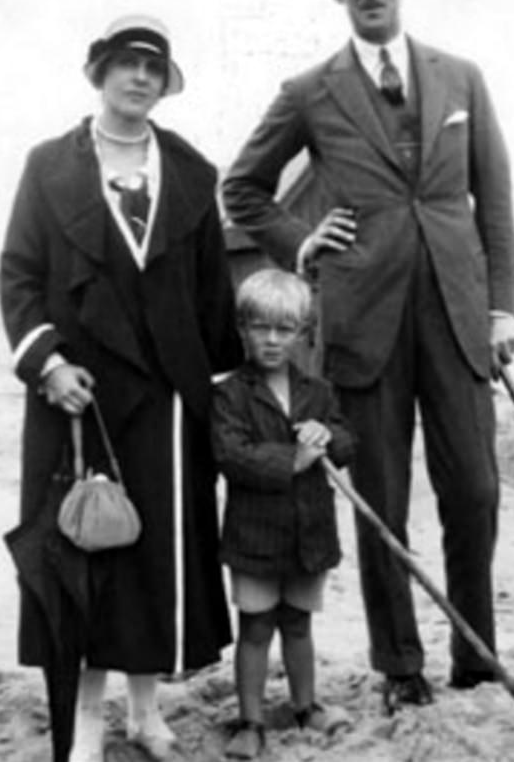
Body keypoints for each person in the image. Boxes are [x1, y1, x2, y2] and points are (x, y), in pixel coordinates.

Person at [223, 0, 514, 713]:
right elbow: (241, 188)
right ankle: (400, 664)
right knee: (380, 497)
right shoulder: (309, 92)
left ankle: (476, 652)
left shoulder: (461, 77)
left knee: (477, 491)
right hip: (362, 324)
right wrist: (299, 239)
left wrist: (501, 308)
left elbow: (492, 201)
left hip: (460, 320)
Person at [0, 14, 243, 762]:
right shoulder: (49, 167)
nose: (139, 78)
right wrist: (49, 364)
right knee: (82, 559)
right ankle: (82, 729)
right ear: (99, 73)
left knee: (159, 558)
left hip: (169, 405)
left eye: (153, 68)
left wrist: (227, 399)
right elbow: (19, 276)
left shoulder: (194, 174)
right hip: (81, 398)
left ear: (163, 84)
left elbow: (213, 301)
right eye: (126, 64)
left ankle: (146, 715)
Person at [211, 268, 355, 759]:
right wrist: (291, 459)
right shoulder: (230, 393)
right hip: (254, 536)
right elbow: (230, 454)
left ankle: (306, 705)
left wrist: (326, 436)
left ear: (301, 333)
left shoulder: (318, 391)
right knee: (255, 628)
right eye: (260, 327)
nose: (272, 340)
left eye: (284, 329)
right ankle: (250, 721)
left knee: (298, 624)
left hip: (309, 534)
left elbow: (347, 442)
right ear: (243, 329)